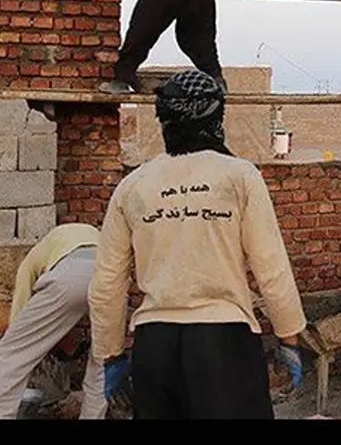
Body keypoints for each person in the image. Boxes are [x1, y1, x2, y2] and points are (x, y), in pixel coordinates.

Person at [87, 69, 307, 419]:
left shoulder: (133, 186)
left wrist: (110, 356)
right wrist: (289, 337)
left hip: (154, 349)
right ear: (217, 117)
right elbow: (271, 266)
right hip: (223, 347)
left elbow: (106, 284)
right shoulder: (239, 176)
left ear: (165, 122)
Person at [0, 223, 107, 419]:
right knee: (102, 361)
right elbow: (66, 314)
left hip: (71, 277)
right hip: (110, 277)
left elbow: (21, 305)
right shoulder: (91, 234)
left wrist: (17, 337)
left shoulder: (34, 256)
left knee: (9, 353)